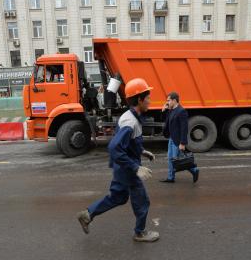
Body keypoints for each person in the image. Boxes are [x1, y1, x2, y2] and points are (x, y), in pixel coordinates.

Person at [77, 78, 160, 243]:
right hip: (128, 169)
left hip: (121, 167)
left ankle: (87, 214)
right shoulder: (130, 121)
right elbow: (115, 147)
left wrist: (142, 151)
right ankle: (140, 232)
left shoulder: (130, 116)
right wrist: (136, 168)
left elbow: (128, 143)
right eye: (148, 97)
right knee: (142, 201)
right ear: (139, 100)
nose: (150, 101)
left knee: (118, 197)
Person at [160, 92, 199, 183]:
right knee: (171, 159)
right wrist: (163, 110)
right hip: (171, 138)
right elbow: (165, 120)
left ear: (174, 100)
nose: (167, 102)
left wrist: (182, 143)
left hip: (177, 140)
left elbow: (184, 128)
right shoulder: (170, 110)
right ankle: (170, 178)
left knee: (178, 161)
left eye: (168, 100)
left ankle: (194, 170)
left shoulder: (182, 111)